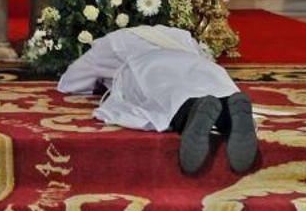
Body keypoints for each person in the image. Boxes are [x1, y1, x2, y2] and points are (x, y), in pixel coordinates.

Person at [57, 25, 258, 174]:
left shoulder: (114, 41)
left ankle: (193, 110)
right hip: (199, 66)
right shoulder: (182, 35)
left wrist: (99, 82)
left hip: (148, 67)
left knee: (167, 98)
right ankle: (230, 114)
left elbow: (71, 80)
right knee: (210, 88)